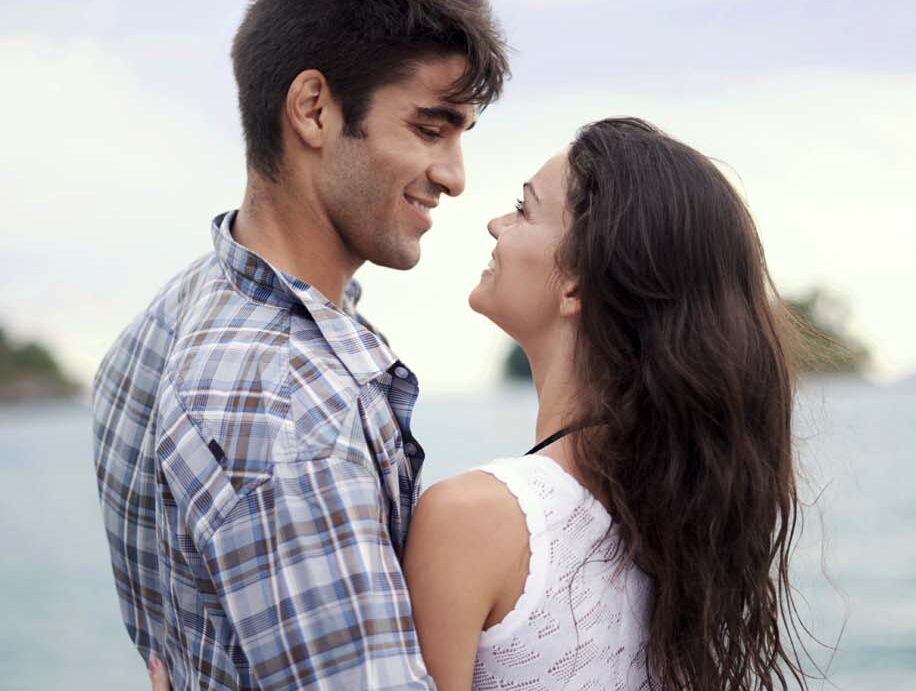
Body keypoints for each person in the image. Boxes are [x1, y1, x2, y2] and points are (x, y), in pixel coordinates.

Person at [150, 118, 812, 690]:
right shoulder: (673, 517)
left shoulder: (475, 519)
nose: (495, 222)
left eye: (524, 209)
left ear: (576, 280)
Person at [91, 1, 509, 688]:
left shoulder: (164, 322)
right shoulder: (295, 414)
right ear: (313, 109)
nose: (454, 176)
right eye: (430, 129)